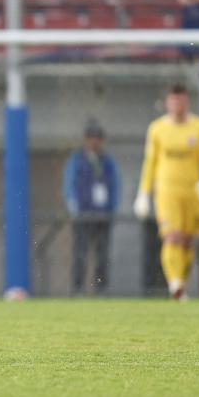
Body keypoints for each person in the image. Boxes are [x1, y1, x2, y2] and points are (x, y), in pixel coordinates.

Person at [134, 84, 199, 300]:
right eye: (174, 100)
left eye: (181, 100)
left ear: (186, 102)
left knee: (187, 240)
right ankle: (174, 284)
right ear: (167, 103)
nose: (177, 105)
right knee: (172, 237)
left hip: (192, 191)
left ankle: (181, 284)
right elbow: (150, 163)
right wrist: (143, 193)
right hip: (166, 191)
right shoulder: (157, 129)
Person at [62, 119, 121, 295]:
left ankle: (101, 288)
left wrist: (113, 208)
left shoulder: (107, 162)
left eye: (97, 138)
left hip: (102, 215)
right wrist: (72, 204)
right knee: (80, 253)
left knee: (102, 255)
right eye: (91, 138)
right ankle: (78, 288)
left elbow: (115, 186)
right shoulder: (77, 160)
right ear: (86, 140)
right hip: (83, 214)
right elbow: (69, 184)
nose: (94, 142)